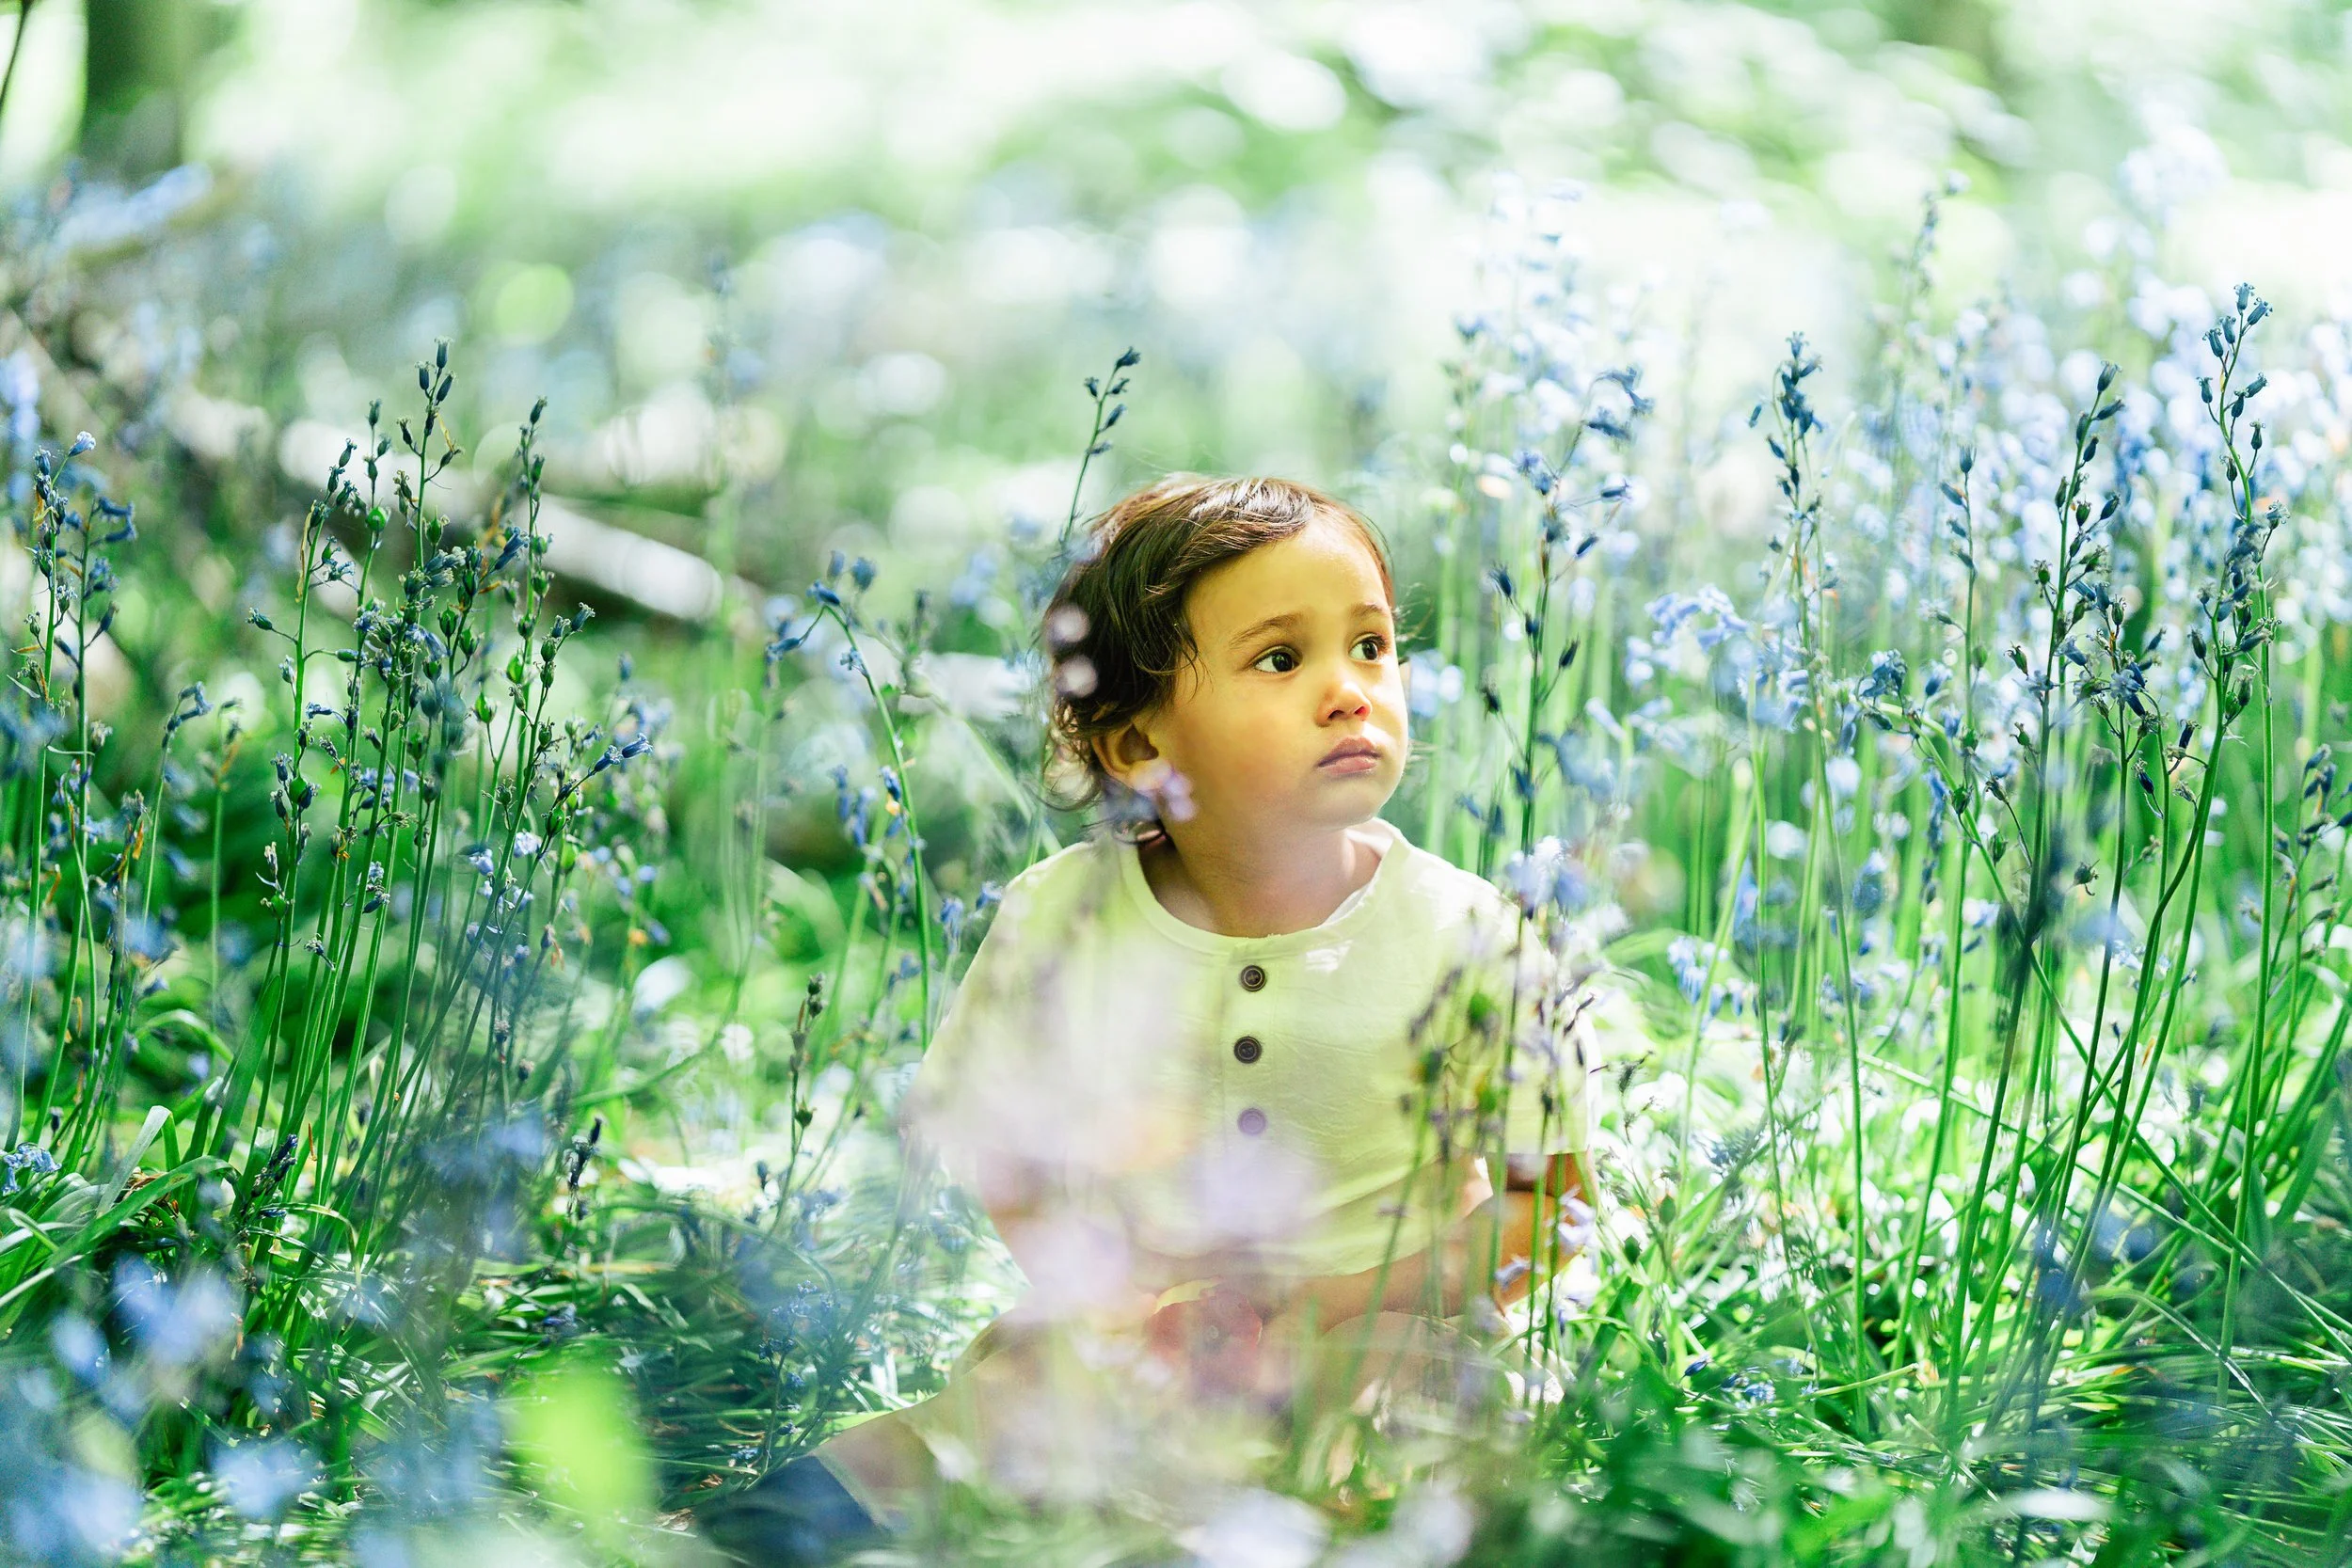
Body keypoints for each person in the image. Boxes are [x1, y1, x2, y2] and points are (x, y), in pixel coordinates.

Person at [704, 476, 1631, 1564]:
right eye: (1282, 659)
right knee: (976, 1425)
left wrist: (1322, 1302)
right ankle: (733, 1535)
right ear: (1140, 744)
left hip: (1391, 1344)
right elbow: (1001, 1150)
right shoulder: (1060, 916)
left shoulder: (1471, 928)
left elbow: (1548, 1206)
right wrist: (1114, 1292)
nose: (1350, 691)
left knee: (1367, 1469)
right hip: (1138, 1341)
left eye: (1372, 646)